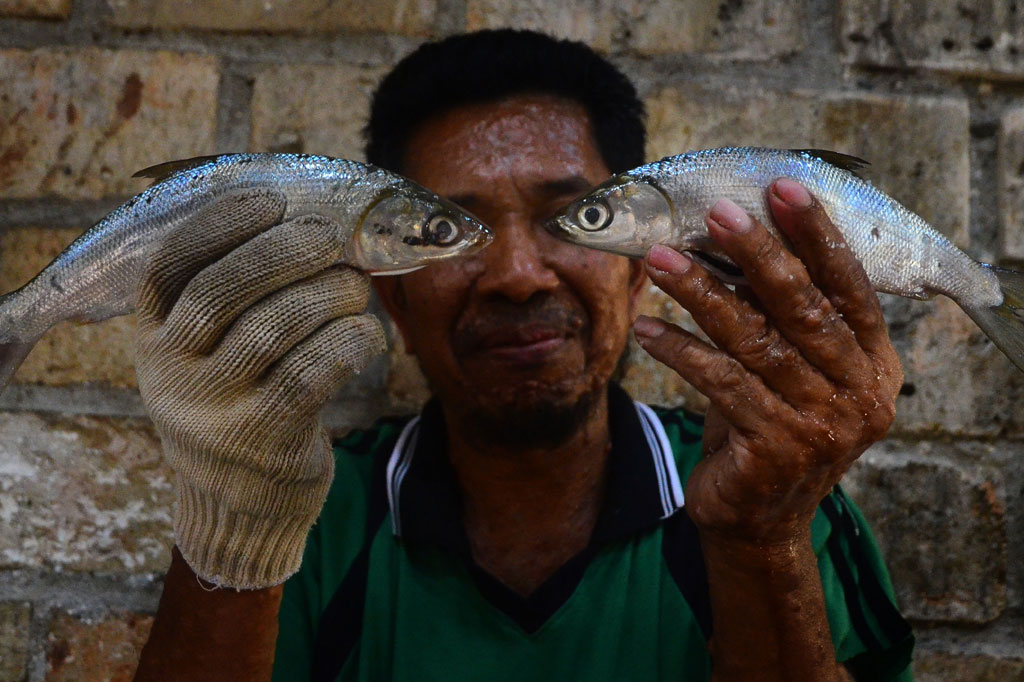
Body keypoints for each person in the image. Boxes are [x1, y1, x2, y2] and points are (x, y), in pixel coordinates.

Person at [132, 30, 914, 682]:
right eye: (452, 230)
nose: (515, 274)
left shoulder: (775, 485)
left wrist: (760, 536)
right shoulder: (305, 513)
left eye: (568, 218)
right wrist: (233, 521)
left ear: (638, 273)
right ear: (395, 300)